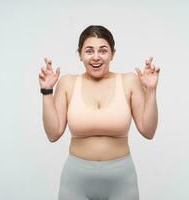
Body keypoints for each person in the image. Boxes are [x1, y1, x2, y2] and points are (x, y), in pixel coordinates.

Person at [38, 25, 160, 200]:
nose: (96, 57)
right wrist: (47, 91)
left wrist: (151, 91)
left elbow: (148, 131)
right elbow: (53, 134)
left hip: (122, 180)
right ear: (80, 54)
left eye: (103, 51)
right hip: (75, 180)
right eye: (89, 51)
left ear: (112, 54)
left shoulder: (129, 81)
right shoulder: (68, 83)